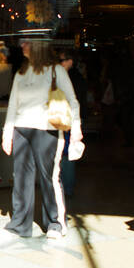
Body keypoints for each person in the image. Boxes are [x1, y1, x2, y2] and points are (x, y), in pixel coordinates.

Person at [0, 38, 83, 239]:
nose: (21, 46)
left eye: (26, 42)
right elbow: (13, 103)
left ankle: (56, 223)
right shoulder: (21, 72)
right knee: (21, 178)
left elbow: (72, 100)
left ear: (37, 45)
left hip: (48, 128)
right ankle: (19, 224)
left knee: (49, 177)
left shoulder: (56, 71)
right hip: (22, 128)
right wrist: (7, 132)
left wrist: (77, 128)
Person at [56, 50, 88, 198]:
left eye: (62, 60)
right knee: (66, 153)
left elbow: (76, 101)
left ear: (70, 61)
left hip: (67, 119)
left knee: (66, 154)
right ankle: (65, 187)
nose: (59, 63)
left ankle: (65, 187)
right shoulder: (75, 77)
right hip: (67, 119)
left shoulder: (71, 78)